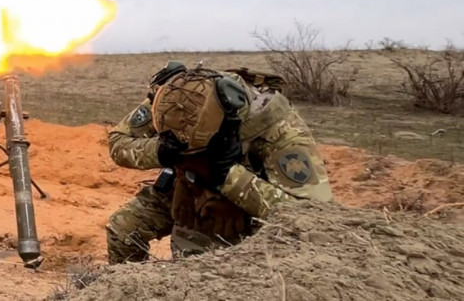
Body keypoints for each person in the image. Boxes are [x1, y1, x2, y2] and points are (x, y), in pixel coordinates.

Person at [106, 62, 332, 263]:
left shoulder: (281, 131)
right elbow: (118, 142)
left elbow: (311, 215)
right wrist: (162, 152)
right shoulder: (178, 96)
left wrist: (227, 176)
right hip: (186, 184)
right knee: (123, 229)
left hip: (248, 199)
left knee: (201, 260)